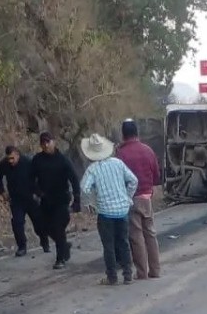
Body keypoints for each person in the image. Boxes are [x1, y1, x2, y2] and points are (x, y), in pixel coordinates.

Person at [80, 133, 138, 285]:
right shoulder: (118, 163)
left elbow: (84, 187)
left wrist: (92, 202)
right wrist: (127, 197)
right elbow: (133, 180)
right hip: (122, 210)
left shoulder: (93, 169)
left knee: (109, 246)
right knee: (124, 242)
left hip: (105, 212)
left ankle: (112, 276)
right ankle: (128, 275)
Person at [114, 119, 162, 280]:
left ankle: (142, 272)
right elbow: (157, 176)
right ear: (137, 132)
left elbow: (118, 179)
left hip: (131, 198)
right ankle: (155, 270)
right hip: (147, 197)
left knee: (136, 236)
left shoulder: (120, 154)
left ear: (123, 134)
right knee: (150, 234)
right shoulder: (148, 150)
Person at [30, 132, 81, 270]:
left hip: (61, 199)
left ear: (54, 142)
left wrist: (77, 200)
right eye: (43, 143)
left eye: (48, 142)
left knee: (58, 228)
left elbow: (74, 179)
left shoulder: (63, 160)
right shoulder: (37, 160)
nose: (46, 145)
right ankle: (64, 245)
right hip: (46, 200)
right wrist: (38, 192)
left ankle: (60, 258)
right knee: (44, 228)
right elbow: (30, 179)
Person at [0, 145, 48, 256]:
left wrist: (40, 193)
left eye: (13, 158)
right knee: (17, 223)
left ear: (18, 155)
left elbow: (39, 177)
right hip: (16, 200)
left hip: (30, 198)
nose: (11, 161)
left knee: (39, 223)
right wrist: (2, 192)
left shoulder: (28, 163)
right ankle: (22, 246)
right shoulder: (4, 164)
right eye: (9, 158)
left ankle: (44, 241)